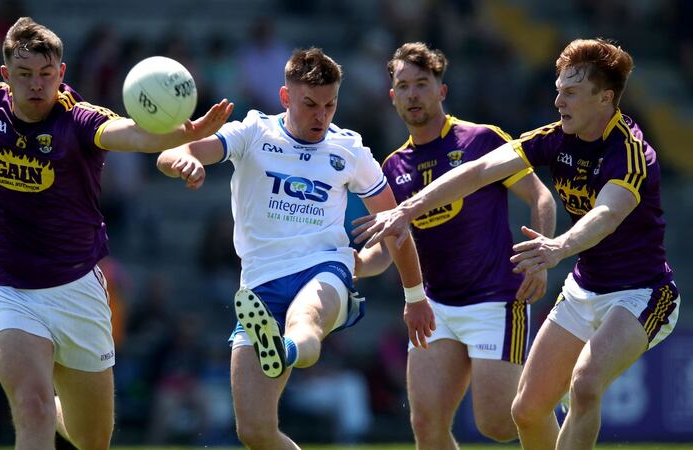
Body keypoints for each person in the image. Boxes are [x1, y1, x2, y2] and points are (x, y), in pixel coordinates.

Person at [0, 1, 233, 449]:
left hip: (76, 291)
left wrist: (186, 134)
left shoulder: (79, 119)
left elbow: (133, 134)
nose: (36, 84)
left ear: (61, 73)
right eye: (24, 74)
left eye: (45, 73)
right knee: (32, 407)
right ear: (6, 75)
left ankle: (63, 413)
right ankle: (42, 407)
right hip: (7, 290)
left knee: (91, 438)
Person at [353, 38, 681, 450]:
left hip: (641, 292)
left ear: (605, 98)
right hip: (583, 290)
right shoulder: (555, 137)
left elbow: (606, 215)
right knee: (526, 410)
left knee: (585, 384)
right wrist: (408, 209)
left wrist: (557, 247)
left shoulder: (631, 152)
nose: (558, 101)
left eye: (571, 92)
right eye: (558, 90)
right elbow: (479, 172)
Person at [157, 47, 436, 449]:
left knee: (304, 320)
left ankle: (284, 347)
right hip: (259, 288)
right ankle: (278, 342)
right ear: (286, 97)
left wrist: (413, 295)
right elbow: (175, 151)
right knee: (254, 431)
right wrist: (184, 162)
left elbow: (395, 226)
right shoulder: (253, 132)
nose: (321, 116)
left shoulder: (349, 150)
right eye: (310, 105)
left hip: (324, 270)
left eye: (330, 105)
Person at [354, 42, 556, 449]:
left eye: (422, 84)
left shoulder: (481, 140)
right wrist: (348, 264)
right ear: (392, 96)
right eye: (403, 86)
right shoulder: (392, 166)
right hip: (434, 308)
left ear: (442, 90)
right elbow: (386, 252)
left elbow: (541, 197)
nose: (413, 94)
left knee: (498, 424)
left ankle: (554, 415)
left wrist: (540, 260)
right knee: (426, 425)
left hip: (495, 300)